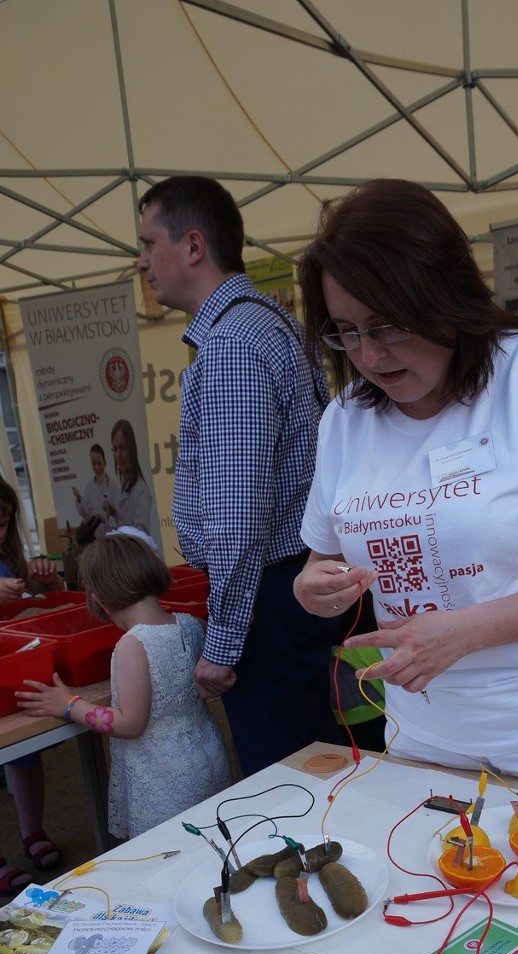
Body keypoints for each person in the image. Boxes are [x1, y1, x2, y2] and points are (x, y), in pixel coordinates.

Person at [293, 179, 518, 791]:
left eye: (387, 325)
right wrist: (313, 585)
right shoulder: (345, 419)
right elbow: (321, 555)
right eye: (346, 331)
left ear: (445, 295)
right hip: (421, 736)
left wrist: (465, 631)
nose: (369, 355)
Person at [137, 176, 338, 777]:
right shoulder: (268, 321)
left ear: (193, 246)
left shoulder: (230, 346)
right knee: (324, 767)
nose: (143, 261)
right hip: (291, 587)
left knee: (288, 786)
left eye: (149, 243)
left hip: (273, 599)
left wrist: (222, 648)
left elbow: (239, 517)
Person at [17, 532, 232, 840]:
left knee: (168, 853)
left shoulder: (133, 645)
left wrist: (68, 704)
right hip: (206, 757)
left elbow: (130, 723)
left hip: (165, 779)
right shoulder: (189, 624)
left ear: (100, 598)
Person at [1, 476, 65, 885]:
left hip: (9, 672)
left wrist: (48, 584)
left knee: (25, 755)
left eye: (4, 521)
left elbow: (34, 611)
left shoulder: (8, 560)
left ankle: (32, 831)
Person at [103, 420, 154, 538]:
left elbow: (141, 536)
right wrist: (113, 512)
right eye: (115, 449)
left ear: (132, 448)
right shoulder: (126, 484)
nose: (118, 455)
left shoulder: (141, 492)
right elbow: (126, 521)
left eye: (122, 448)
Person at [71, 442, 115, 537]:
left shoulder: (114, 487)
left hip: (112, 538)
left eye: (99, 463)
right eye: (93, 463)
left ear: (105, 462)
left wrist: (105, 521)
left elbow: (120, 518)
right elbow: (86, 515)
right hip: (96, 539)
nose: (97, 467)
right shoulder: (88, 489)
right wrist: (79, 498)